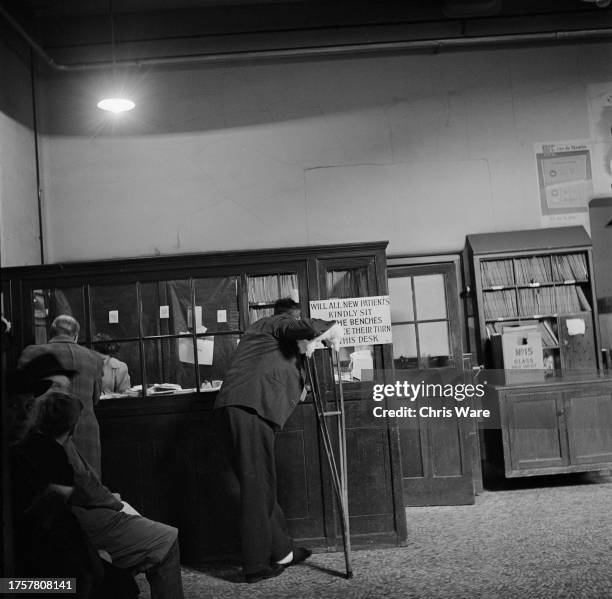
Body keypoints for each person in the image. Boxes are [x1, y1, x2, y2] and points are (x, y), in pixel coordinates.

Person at [12, 388, 184, 599]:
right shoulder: (50, 453)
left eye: (27, 407)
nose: (21, 416)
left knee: (118, 579)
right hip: (31, 580)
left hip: (28, 574)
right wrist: (93, 562)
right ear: (72, 426)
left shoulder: (29, 450)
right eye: (14, 407)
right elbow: (55, 523)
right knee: (159, 545)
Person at [213, 298, 338, 583]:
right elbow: (305, 326)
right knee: (257, 487)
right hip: (248, 409)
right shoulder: (275, 321)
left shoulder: (273, 343)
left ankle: (282, 551)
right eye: (297, 317)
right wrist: (331, 329)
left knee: (261, 483)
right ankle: (255, 565)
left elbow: (289, 376)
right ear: (291, 315)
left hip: (242, 409)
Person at [18, 315, 104, 477]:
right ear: (76, 336)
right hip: (86, 431)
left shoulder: (32, 353)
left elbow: (21, 394)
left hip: (45, 430)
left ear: (50, 334)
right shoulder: (94, 358)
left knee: (48, 483)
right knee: (89, 486)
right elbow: (96, 398)